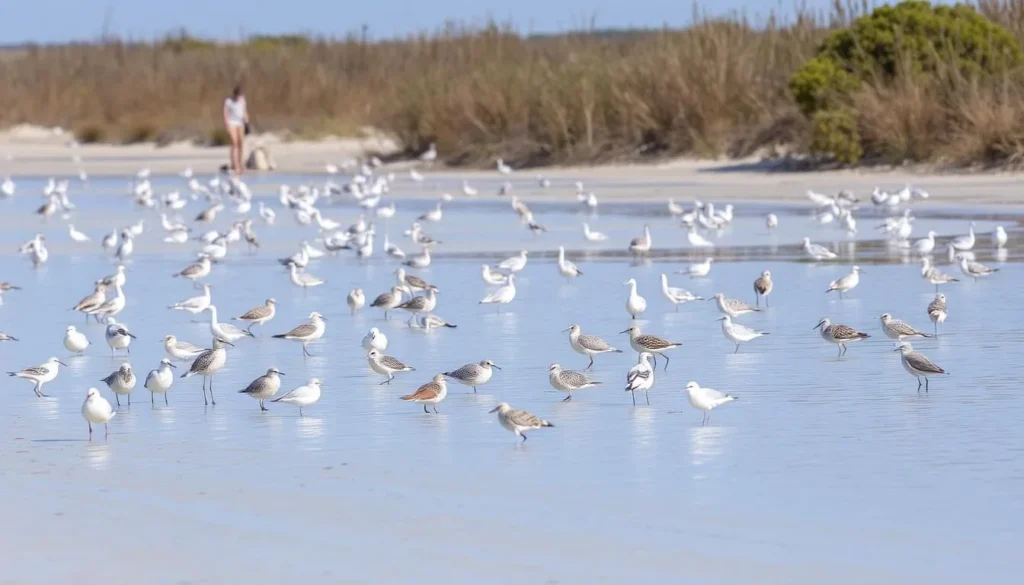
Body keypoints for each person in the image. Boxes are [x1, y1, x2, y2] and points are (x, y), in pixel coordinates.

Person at [223, 85, 249, 174]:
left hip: (240, 123)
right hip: (231, 123)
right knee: (234, 143)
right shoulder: (228, 101)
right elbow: (225, 114)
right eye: (237, 95)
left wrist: (246, 120)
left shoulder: (242, 100)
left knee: (241, 143)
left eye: (240, 95)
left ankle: (241, 165)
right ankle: (235, 165)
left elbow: (244, 111)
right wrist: (227, 125)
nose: (238, 97)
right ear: (234, 94)